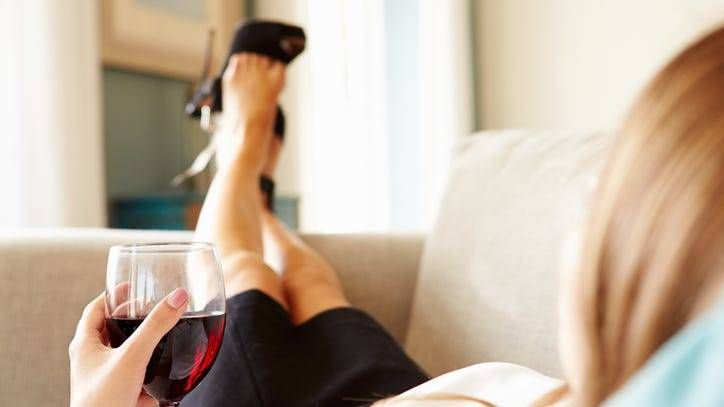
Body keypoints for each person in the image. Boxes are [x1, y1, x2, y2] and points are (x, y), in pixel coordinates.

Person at [69, 25, 724, 406]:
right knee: (315, 284)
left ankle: (244, 141)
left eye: (605, 210)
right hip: (395, 385)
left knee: (245, 269)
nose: (580, 232)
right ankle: (260, 196)